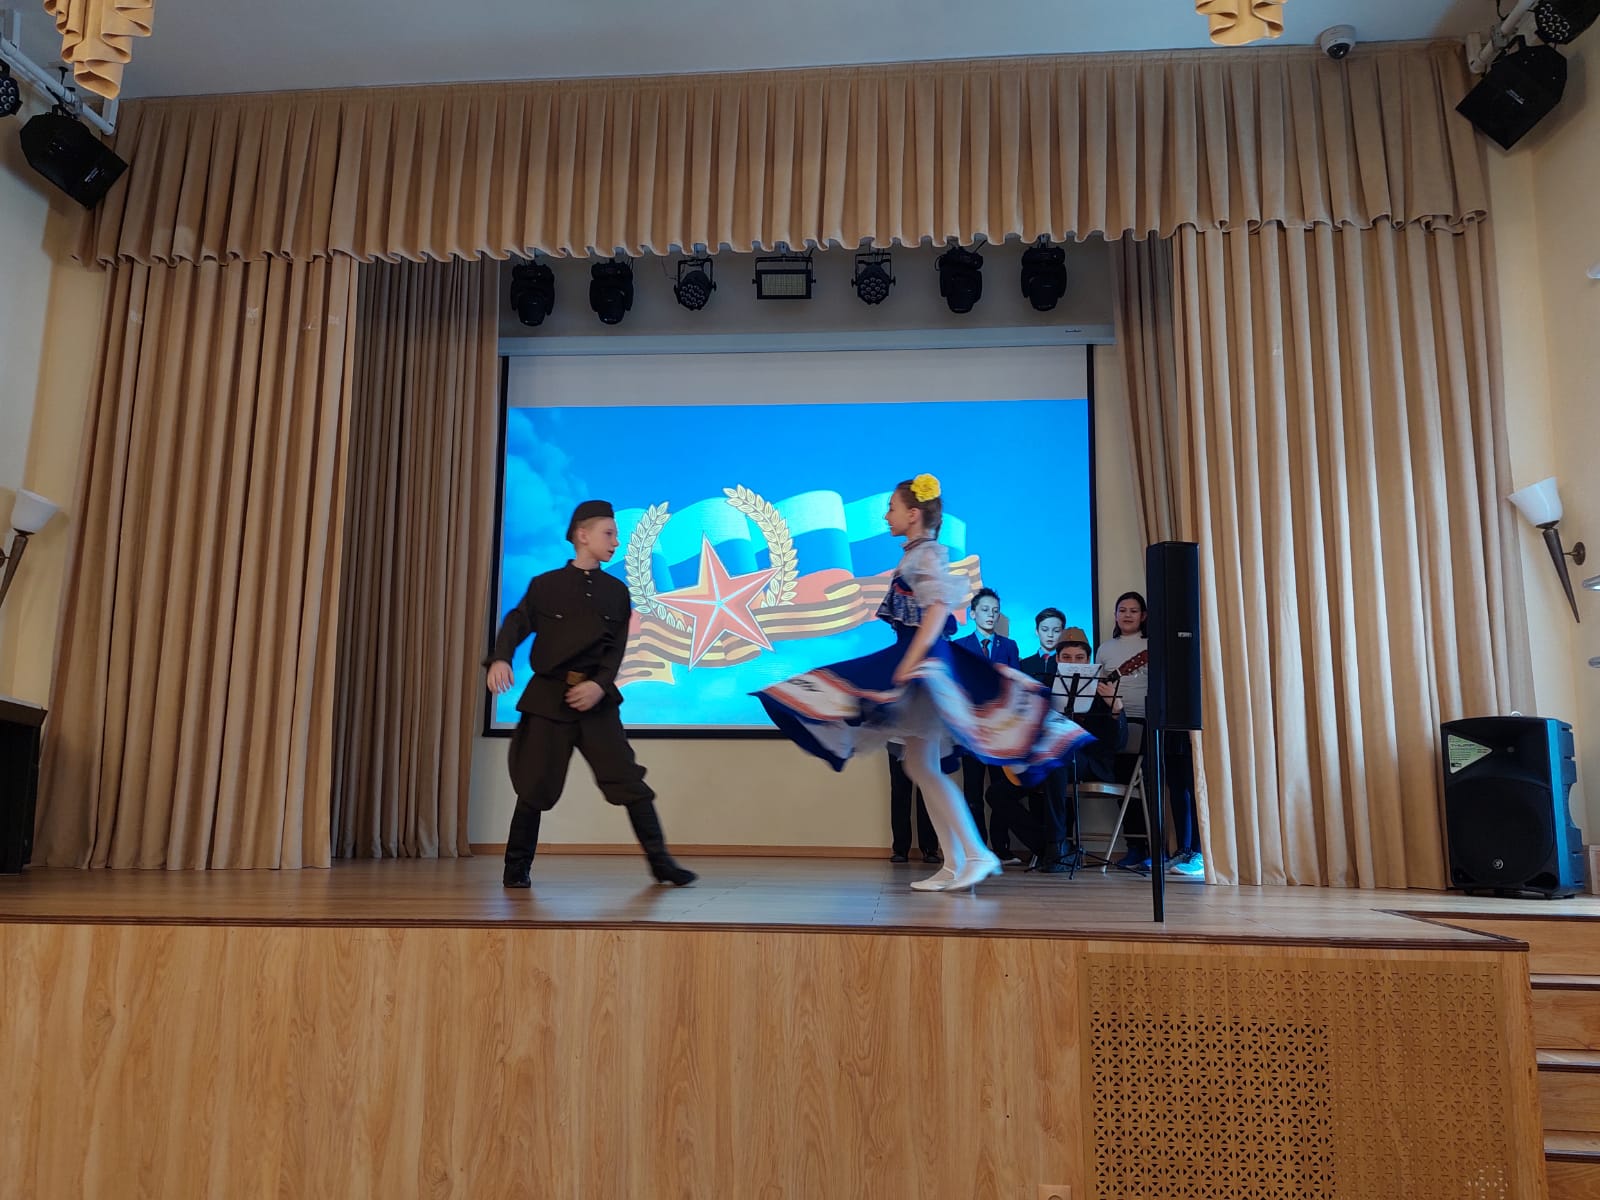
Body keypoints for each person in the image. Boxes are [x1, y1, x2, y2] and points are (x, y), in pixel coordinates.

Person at [755, 474, 1092, 894]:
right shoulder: (917, 554)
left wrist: (912, 663)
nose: (886, 515)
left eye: (892, 508)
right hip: (925, 662)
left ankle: (975, 854)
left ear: (913, 514)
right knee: (919, 766)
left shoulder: (925, 555)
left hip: (926, 665)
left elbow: (937, 609)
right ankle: (955, 863)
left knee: (915, 762)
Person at [485, 499, 696, 889]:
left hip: (597, 703)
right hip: (548, 699)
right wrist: (500, 658)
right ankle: (516, 869)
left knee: (629, 781)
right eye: (609, 533)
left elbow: (616, 650)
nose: (616, 541)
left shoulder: (616, 592)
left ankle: (662, 864)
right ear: (582, 535)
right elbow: (516, 624)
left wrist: (598, 685)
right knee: (534, 785)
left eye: (616, 534)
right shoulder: (545, 585)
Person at [951, 587, 1023, 862]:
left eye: (995, 611)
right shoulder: (959, 645)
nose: (990, 615)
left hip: (1001, 731)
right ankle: (977, 850)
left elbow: (1015, 684)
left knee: (999, 789)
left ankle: (1001, 848)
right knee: (973, 790)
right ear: (972, 614)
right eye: (985, 610)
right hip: (971, 732)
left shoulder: (1009, 646)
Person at [886, 746, 942, 864]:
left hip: (926, 743)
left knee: (927, 794)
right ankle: (900, 849)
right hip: (897, 742)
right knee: (899, 793)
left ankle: (930, 848)